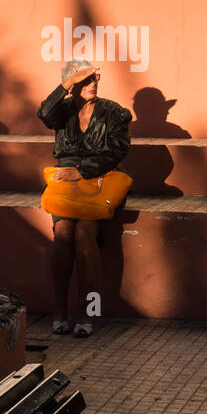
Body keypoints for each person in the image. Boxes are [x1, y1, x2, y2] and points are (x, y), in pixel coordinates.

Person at [37, 59, 132, 338]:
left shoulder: (115, 113)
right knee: (63, 230)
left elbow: (116, 151)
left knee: (85, 232)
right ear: (71, 85)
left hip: (101, 180)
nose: (92, 84)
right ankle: (59, 311)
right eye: (84, 80)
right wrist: (65, 86)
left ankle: (86, 312)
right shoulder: (62, 110)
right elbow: (44, 114)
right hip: (66, 185)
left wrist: (80, 171)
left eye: (94, 78)